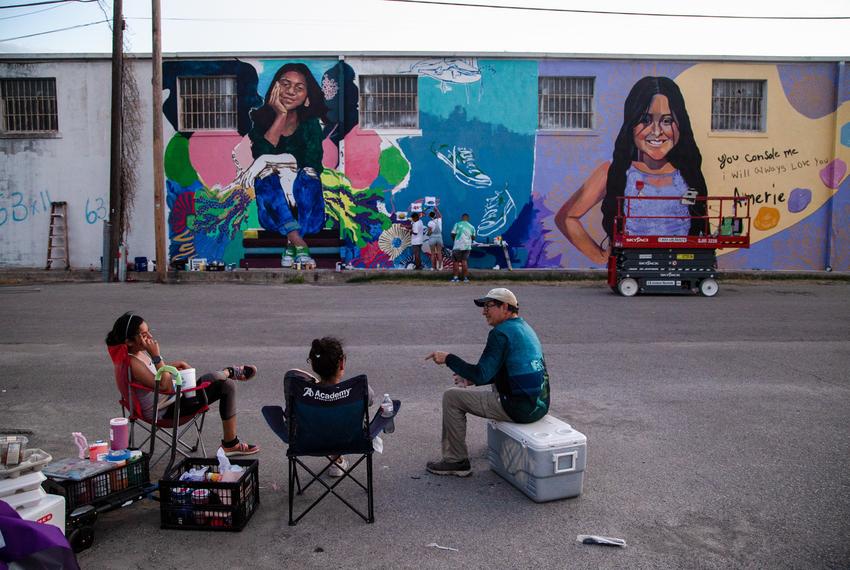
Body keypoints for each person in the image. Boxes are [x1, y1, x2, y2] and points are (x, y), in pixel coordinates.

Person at [554, 76, 708, 264]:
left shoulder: (688, 173)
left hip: (677, 269)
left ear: (680, 124)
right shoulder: (614, 170)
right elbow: (567, 217)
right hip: (633, 267)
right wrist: (601, 257)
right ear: (631, 124)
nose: (657, 131)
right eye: (645, 120)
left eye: (667, 121)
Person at [424, 288, 550, 476]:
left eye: (488, 306)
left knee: (451, 397)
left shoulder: (500, 333)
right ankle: (496, 442)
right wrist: (471, 380)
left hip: (520, 409)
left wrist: (449, 358)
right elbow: (506, 370)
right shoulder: (524, 328)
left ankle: (456, 461)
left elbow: (481, 373)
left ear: (505, 307)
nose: (484, 312)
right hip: (540, 405)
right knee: (492, 383)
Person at [105, 312, 259, 457]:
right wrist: (157, 356)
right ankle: (228, 373)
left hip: (171, 401)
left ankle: (227, 374)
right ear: (129, 341)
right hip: (166, 412)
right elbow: (166, 387)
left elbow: (152, 376)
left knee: (221, 384)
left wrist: (173, 365)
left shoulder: (135, 354)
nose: (150, 337)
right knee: (225, 385)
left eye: (149, 332)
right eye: (144, 335)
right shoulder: (132, 363)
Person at [234, 63, 330, 269]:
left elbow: (310, 161)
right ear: (275, 87)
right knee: (265, 177)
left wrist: (264, 162)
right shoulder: (260, 121)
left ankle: (292, 242)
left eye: (299, 88)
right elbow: (261, 153)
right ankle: (299, 244)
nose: (291, 91)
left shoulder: (311, 124)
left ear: (307, 97)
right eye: (285, 84)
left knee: (308, 174)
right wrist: (281, 115)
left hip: (309, 212)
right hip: (273, 212)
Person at [284, 337, 375, 477]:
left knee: (319, 418)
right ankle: (337, 460)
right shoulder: (361, 390)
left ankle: (336, 460)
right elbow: (370, 400)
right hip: (350, 441)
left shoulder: (298, 390)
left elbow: (292, 375)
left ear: (313, 365)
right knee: (341, 418)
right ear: (342, 364)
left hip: (307, 442)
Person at [450, 213, 475, 282]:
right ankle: (465, 278)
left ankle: (455, 278)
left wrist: (455, 240)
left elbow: (452, 234)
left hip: (457, 246)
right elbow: (473, 237)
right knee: (464, 262)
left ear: (462, 218)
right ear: (468, 218)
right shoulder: (472, 227)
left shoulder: (457, 224)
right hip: (467, 247)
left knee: (456, 262)